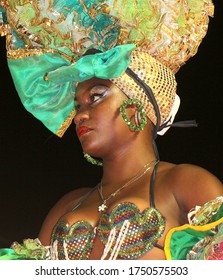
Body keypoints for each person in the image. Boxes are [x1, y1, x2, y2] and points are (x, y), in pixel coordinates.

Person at [0, 0, 223, 260]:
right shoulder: (69, 204)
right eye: (77, 105)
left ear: (135, 108)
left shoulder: (185, 182)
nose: (79, 115)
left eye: (96, 97)